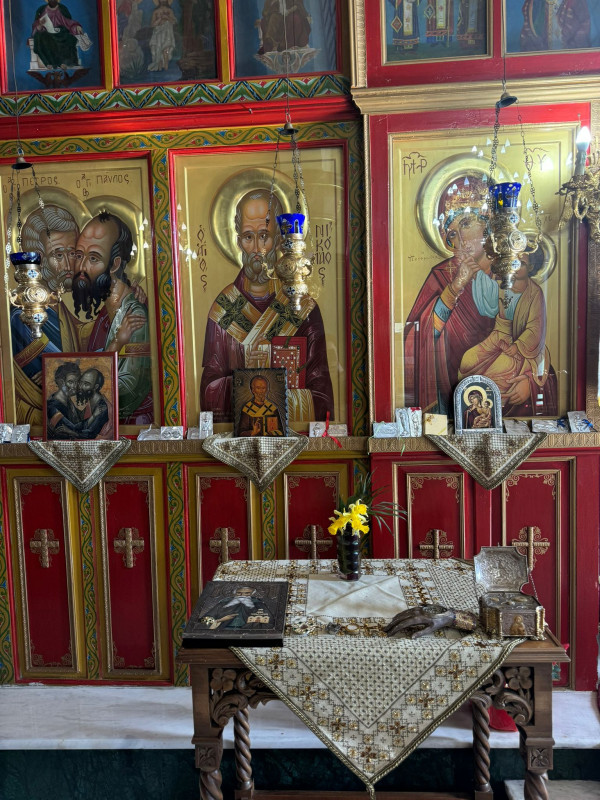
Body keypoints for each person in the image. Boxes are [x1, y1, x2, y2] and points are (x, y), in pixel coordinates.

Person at [200, 188, 333, 423]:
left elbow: (322, 395)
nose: (257, 249)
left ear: (280, 240)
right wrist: (249, 380)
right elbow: (208, 391)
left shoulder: (302, 308)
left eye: (264, 236)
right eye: (248, 237)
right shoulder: (224, 308)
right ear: (238, 242)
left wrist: (269, 385)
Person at [404, 175, 495, 415]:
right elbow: (418, 335)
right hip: (453, 384)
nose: (460, 240)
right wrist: (455, 287)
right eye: (452, 234)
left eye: (465, 223)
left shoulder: (510, 272)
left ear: (488, 223)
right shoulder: (442, 275)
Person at [72, 212, 153, 423]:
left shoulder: (134, 315)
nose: (82, 267)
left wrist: (81, 391)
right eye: (79, 255)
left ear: (115, 264)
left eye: (93, 258)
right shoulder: (104, 314)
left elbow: (130, 389)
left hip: (131, 427)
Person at [458, 251, 557, 417]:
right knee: (467, 361)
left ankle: (488, 416)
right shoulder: (503, 285)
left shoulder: (535, 293)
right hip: (498, 335)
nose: (516, 267)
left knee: (497, 375)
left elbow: (535, 327)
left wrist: (516, 346)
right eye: (513, 263)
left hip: (521, 345)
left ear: (531, 267)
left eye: (522, 264)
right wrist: (477, 273)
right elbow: (489, 299)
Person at [12, 205, 84, 426]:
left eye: (72, 253)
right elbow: (64, 369)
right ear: (40, 261)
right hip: (36, 419)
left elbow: (81, 339)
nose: (68, 264)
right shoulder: (21, 316)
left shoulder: (56, 306)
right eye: (58, 255)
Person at [31, 0, 90, 69]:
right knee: (43, 37)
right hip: (47, 33)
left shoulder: (62, 9)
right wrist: (40, 25)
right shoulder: (42, 10)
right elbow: (36, 25)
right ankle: (50, 63)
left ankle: (64, 63)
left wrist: (77, 27)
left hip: (61, 32)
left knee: (68, 38)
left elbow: (69, 23)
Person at [200, 585, 272, 630]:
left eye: (247, 593)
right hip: (223, 631)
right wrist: (220, 620)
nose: (242, 595)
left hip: (248, 633)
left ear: (252, 594)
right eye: (239, 593)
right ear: (235, 594)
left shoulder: (259, 604)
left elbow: (270, 621)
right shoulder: (223, 604)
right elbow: (204, 619)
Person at [46, 362, 81, 439]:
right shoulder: (53, 407)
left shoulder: (68, 401)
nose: (75, 386)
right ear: (61, 382)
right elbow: (68, 430)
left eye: (76, 382)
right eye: (71, 382)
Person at [148, 0, 177, 72]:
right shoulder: (156, 11)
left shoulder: (169, 10)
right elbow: (152, 24)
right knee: (157, 49)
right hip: (158, 33)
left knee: (166, 49)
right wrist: (160, 19)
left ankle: (166, 66)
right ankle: (159, 66)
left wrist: (167, 17)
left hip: (167, 32)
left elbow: (174, 21)